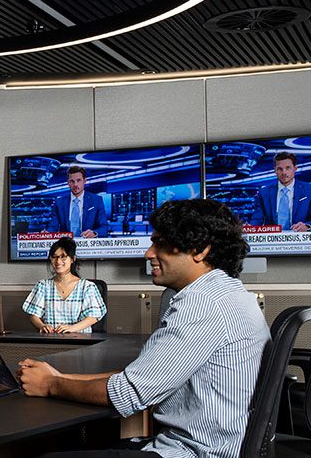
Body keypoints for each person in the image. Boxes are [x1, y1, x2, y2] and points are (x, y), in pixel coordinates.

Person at [18, 199, 269, 458]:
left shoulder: (203, 302)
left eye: (159, 242)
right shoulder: (227, 293)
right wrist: (57, 377)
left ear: (200, 250)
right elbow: (137, 377)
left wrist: (51, 386)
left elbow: (127, 393)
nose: (149, 253)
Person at [22, 237, 106, 334]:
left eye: (63, 257)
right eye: (54, 257)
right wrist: (42, 326)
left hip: (81, 340)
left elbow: (94, 317)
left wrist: (72, 328)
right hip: (51, 341)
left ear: (72, 259)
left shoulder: (87, 287)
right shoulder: (43, 286)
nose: (58, 261)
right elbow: (34, 315)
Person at [250, 151, 310, 231]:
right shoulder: (264, 193)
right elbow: (257, 219)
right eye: (279, 169)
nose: (284, 172)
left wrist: (307, 226)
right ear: (275, 170)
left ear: (295, 169)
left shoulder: (309, 190)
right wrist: (249, 228)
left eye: (288, 168)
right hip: (273, 240)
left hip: (301, 240)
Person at [46, 166, 108, 238]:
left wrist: (94, 233)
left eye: (78, 180)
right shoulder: (59, 202)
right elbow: (53, 226)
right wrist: (47, 234)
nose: (75, 184)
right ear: (68, 183)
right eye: (72, 181)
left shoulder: (96, 200)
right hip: (66, 246)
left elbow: (104, 227)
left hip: (88, 246)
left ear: (84, 181)